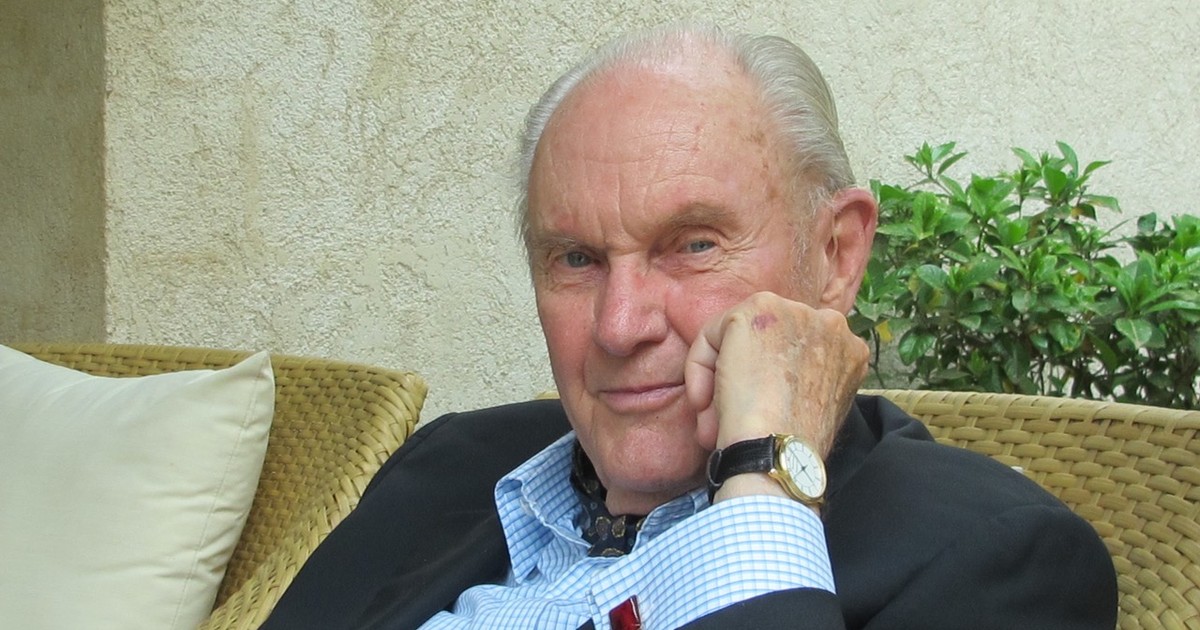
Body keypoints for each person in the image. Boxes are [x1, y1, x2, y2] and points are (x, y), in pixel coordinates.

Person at [262, 22, 1117, 629]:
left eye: (693, 245)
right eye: (576, 259)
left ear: (836, 254)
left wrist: (765, 482)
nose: (620, 325)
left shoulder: (996, 557)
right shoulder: (451, 464)